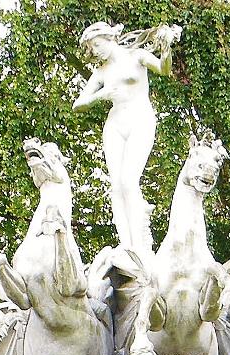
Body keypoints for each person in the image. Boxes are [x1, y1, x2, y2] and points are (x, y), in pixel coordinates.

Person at [73, 22, 177, 255]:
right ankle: (126, 245)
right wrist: (101, 95)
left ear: (109, 38)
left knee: (129, 182)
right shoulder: (101, 72)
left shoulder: (137, 56)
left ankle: (140, 243)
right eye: (92, 48)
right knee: (116, 186)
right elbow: (78, 104)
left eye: (98, 44)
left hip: (140, 120)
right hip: (115, 125)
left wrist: (166, 49)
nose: (96, 51)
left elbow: (163, 69)